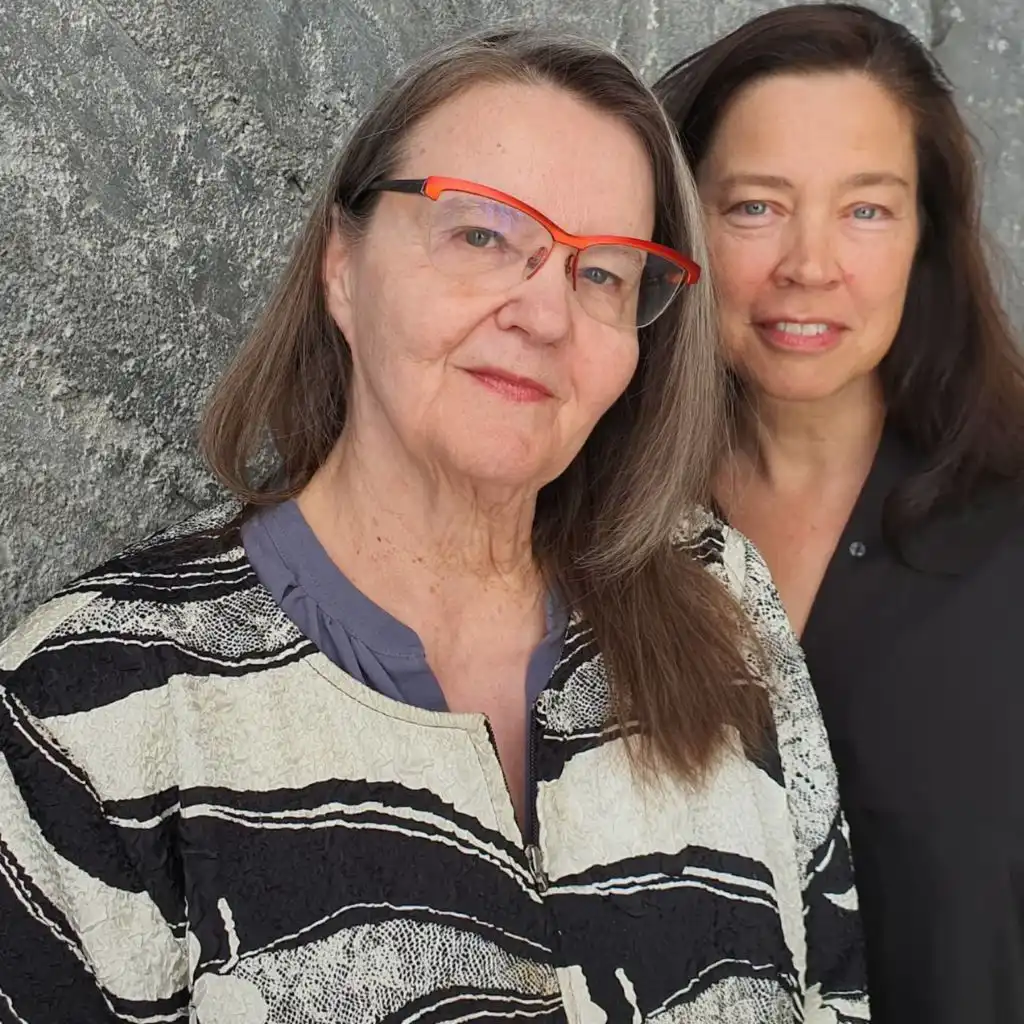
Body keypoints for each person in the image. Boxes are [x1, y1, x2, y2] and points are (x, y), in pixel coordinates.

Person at [0, 28, 868, 1024]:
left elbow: (835, 995)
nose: (545, 315)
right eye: (481, 235)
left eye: (602, 273)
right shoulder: (90, 707)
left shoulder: (720, 597)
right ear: (342, 265)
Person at [656, 5, 1024, 1022]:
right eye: (755, 207)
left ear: (925, 236)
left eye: (865, 210)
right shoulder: (592, 531)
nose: (809, 264)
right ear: (680, 226)